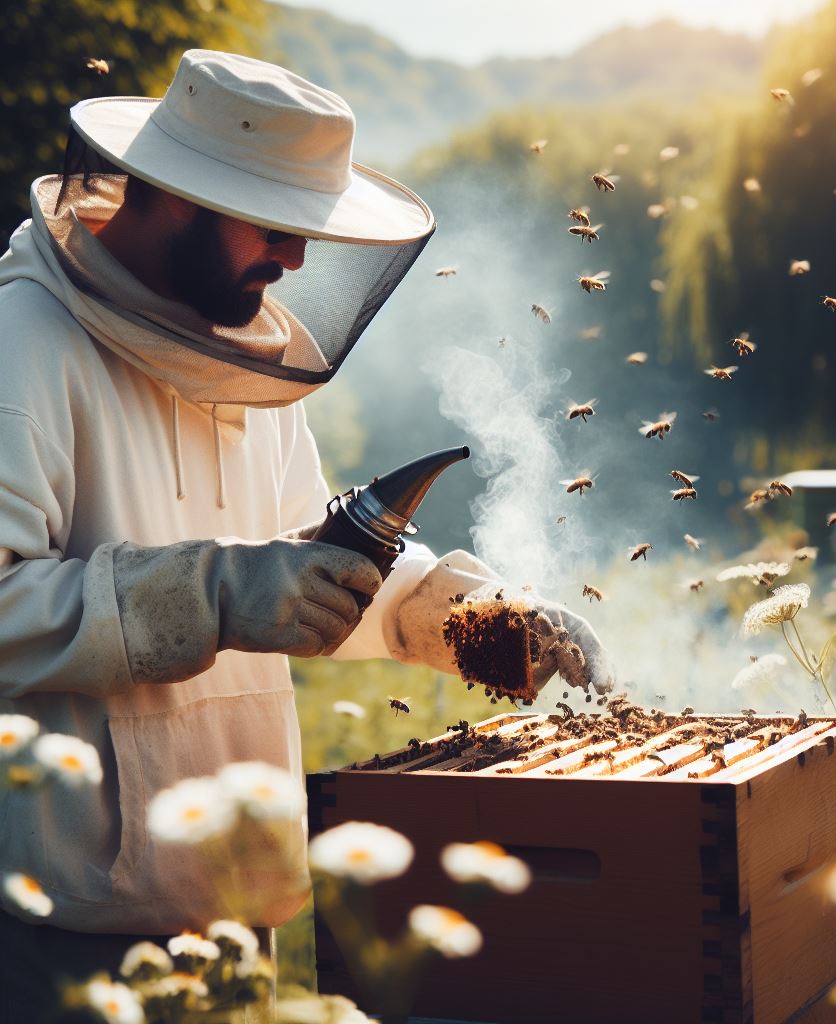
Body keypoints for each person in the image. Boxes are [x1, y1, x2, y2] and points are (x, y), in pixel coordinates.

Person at [0, 49, 613, 1019]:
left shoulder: (239, 354)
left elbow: (308, 564)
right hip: (68, 923)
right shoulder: (23, 347)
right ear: (173, 194)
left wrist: (468, 621)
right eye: (276, 227)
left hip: (238, 897)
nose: (293, 260)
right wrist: (217, 594)